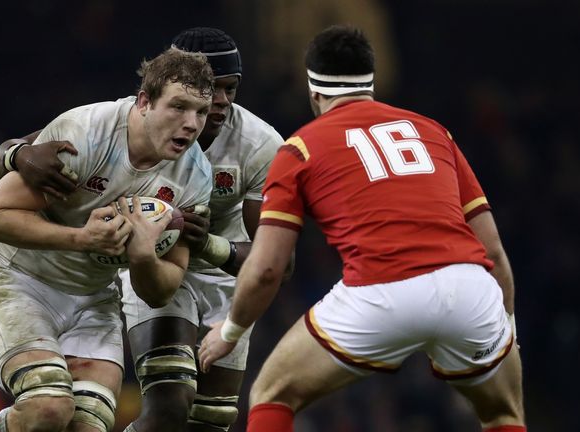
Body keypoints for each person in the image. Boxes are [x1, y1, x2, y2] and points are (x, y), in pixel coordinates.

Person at [199, 24, 526, 432]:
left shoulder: (299, 147)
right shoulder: (434, 132)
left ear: (314, 91)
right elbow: (493, 253)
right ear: (370, 83)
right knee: (503, 413)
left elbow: (267, 268)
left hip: (381, 290)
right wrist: (506, 329)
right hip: (469, 288)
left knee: (272, 393)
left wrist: (229, 332)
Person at [0, 28, 285, 432]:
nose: (216, 103)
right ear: (151, 99)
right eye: (203, 92)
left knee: (211, 420)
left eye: (227, 89)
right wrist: (16, 154)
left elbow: (277, 263)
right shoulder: (107, 124)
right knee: (168, 408)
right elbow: (17, 163)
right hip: (140, 261)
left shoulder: (256, 147)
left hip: (215, 269)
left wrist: (206, 245)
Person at [0, 47, 215, 432]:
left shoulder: (196, 178)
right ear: (145, 102)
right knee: (47, 410)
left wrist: (143, 257)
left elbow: (161, 290)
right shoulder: (86, 133)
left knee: (89, 425)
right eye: (178, 107)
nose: (191, 123)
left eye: (200, 112)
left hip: (94, 299)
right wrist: (83, 238)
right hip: (19, 280)